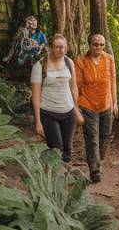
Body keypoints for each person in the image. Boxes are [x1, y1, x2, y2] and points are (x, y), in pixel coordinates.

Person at [30, 34, 84, 163]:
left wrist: (76, 110)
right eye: (57, 47)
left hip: (68, 112)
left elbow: (73, 88)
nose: (61, 50)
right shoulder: (39, 65)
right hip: (48, 113)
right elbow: (36, 96)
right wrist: (38, 122)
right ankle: (52, 176)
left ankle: (63, 178)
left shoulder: (69, 63)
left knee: (67, 150)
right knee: (56, 148)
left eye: (63, 47)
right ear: (50, 48)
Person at [75, 33, 118, 184]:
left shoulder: (109, 59)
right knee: (92, 138)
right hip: (87, 104)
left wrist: (115, 102)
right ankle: (95, 170)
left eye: (101, 44)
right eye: (95, 44)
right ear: (89, 45)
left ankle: (98, 163)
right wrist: (76, 108)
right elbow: (77, 86)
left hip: (106, 103)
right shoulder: (80, 62)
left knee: (105, 135)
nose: (98, 47)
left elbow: (112, 81)